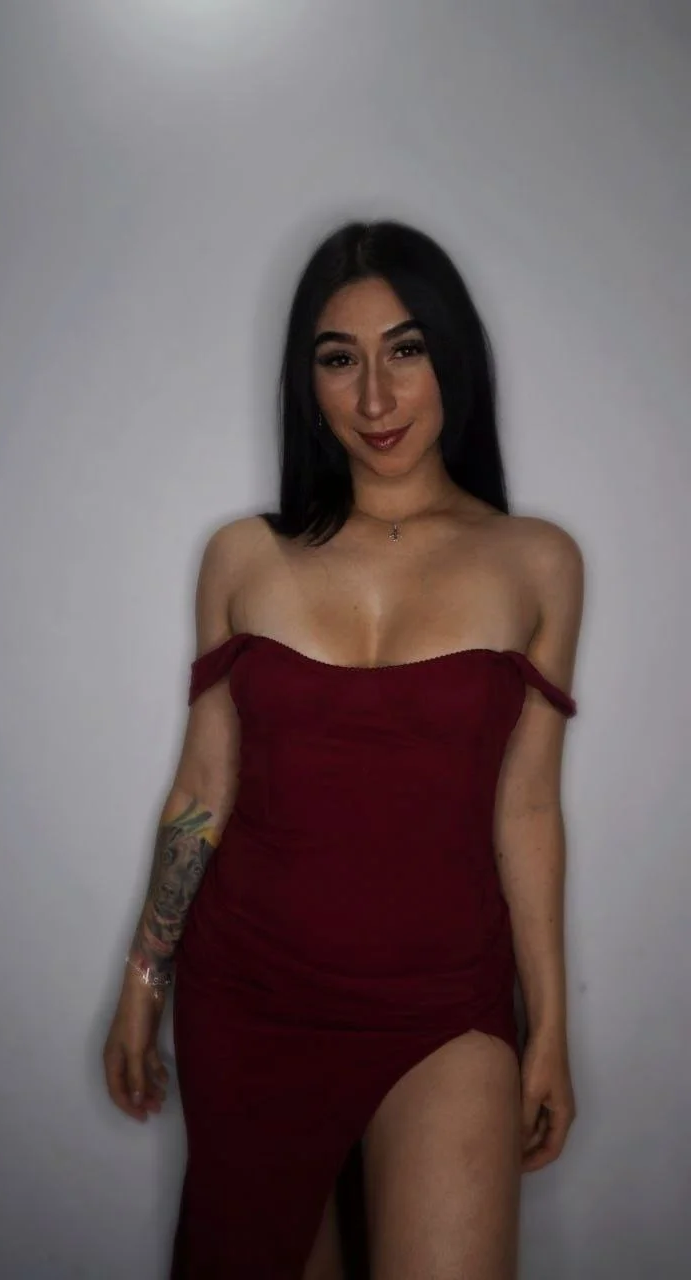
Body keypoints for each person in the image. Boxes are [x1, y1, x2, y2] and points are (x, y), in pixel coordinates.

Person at [103, 219, 583, 1279]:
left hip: (444, 1008)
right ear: (306, 381)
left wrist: (549, 1025)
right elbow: (203, 784)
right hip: (249, 997)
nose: (375, 397)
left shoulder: (537, 561)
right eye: (339, 359)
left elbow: (528, 809)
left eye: (406, 349)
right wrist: (142, 979)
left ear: (452, 357)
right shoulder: (243, 556)